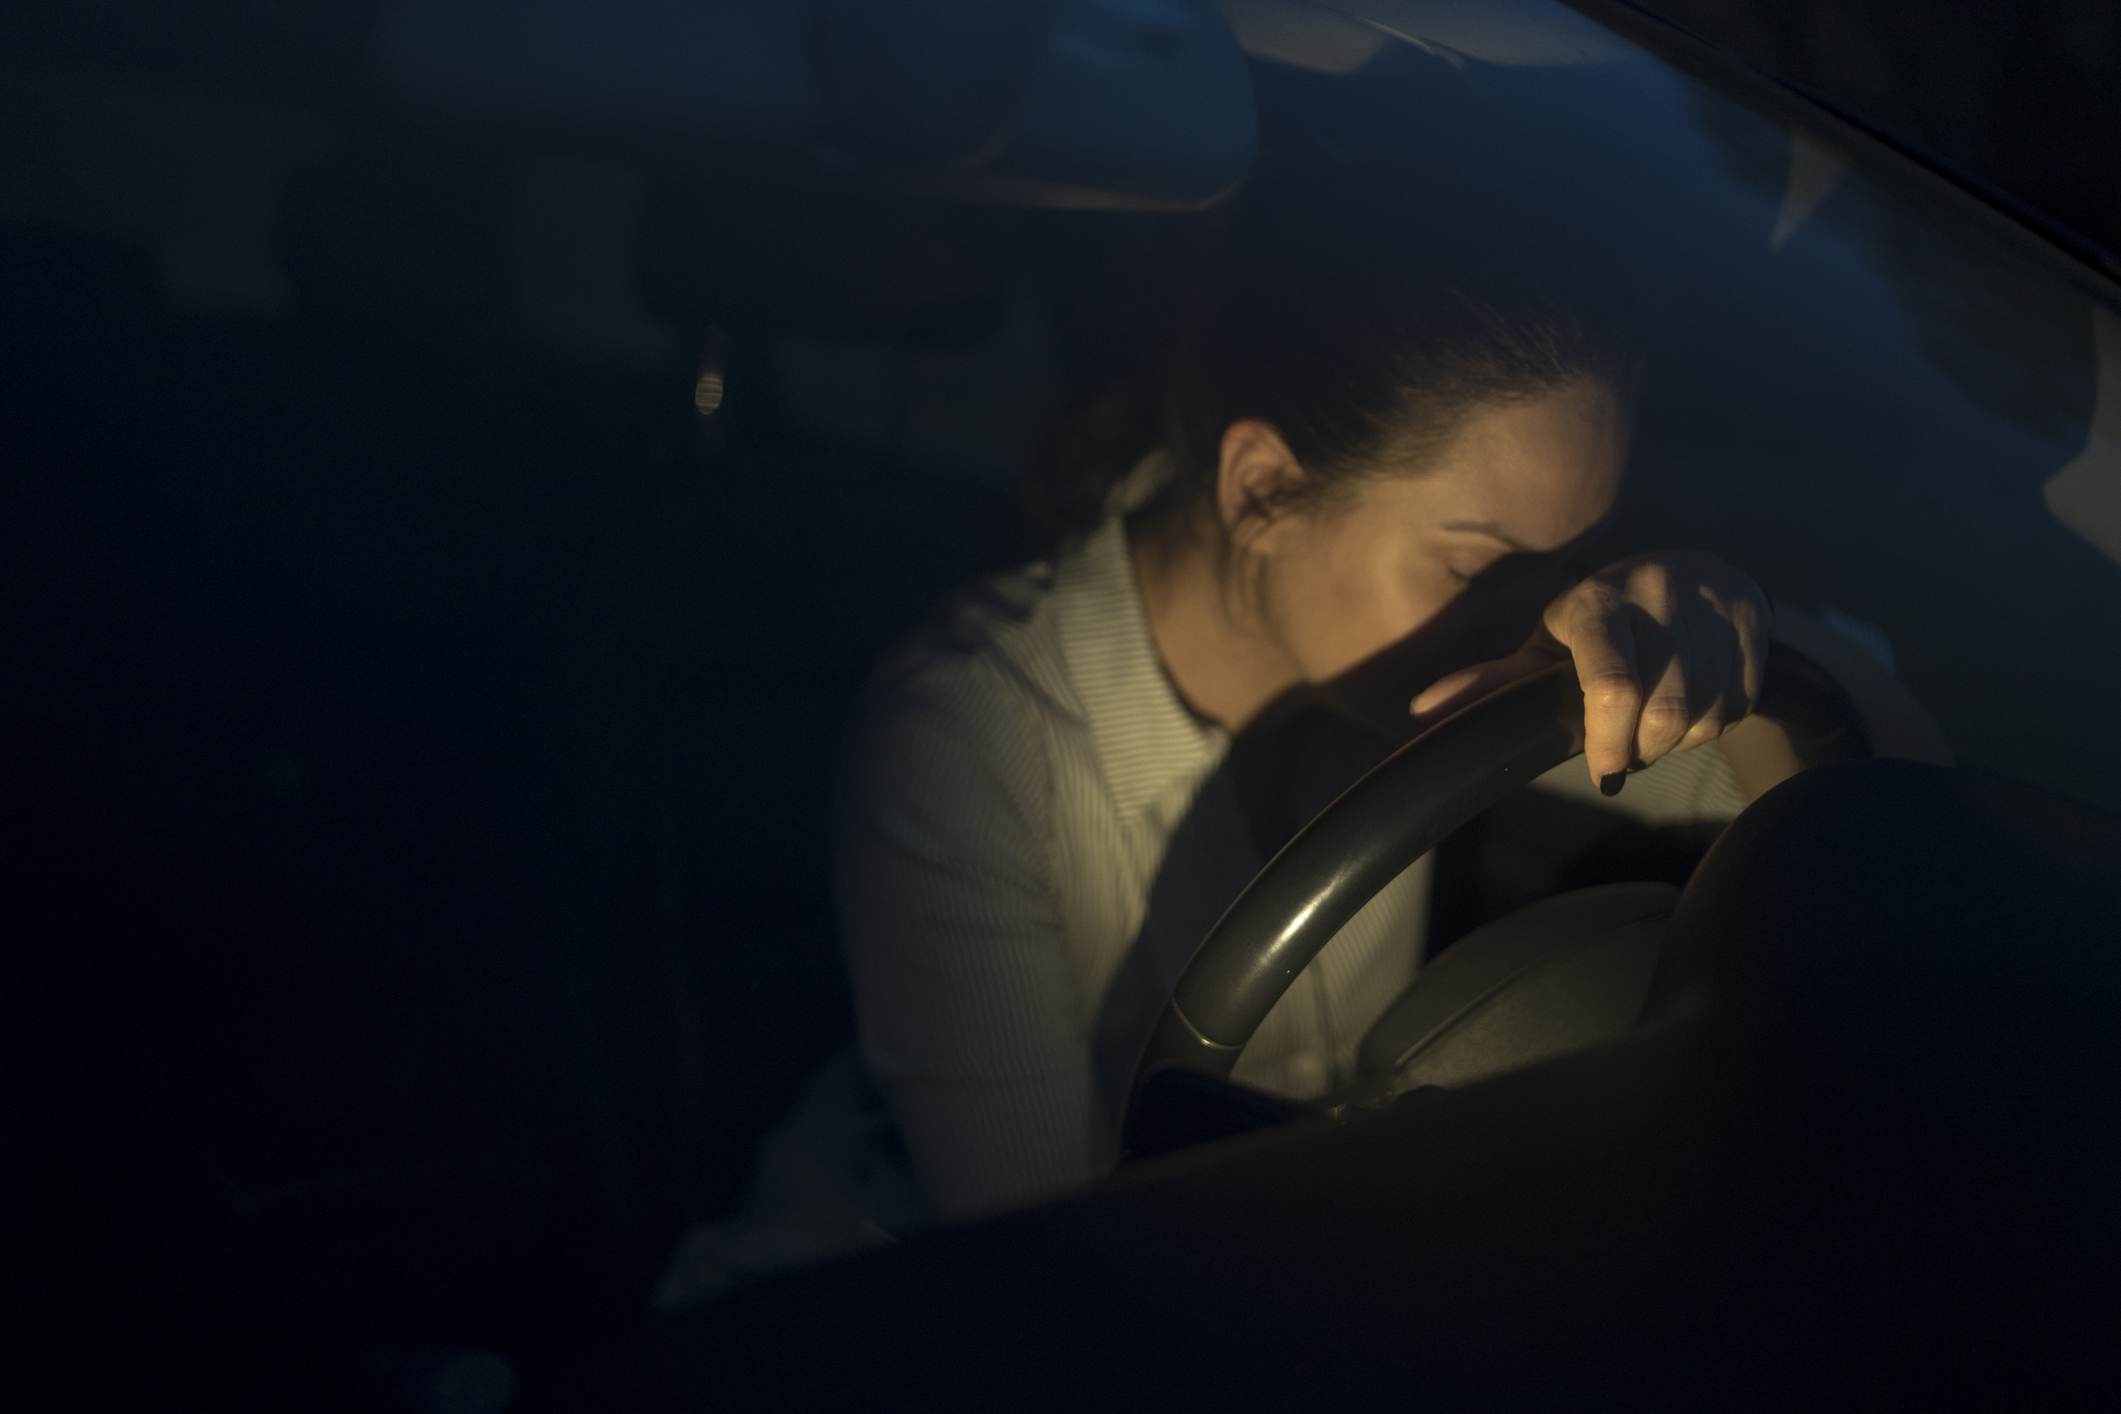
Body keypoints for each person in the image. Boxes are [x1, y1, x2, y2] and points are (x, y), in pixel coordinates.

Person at [828, 165, 1772, 1228]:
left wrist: (1733, 636)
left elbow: (1849, 810)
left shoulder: (1444, 664)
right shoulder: (973, 747)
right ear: (1264, 491)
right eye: (1474, 568)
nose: (1532, 624)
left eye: (1568, 566)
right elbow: (1050, 1273)